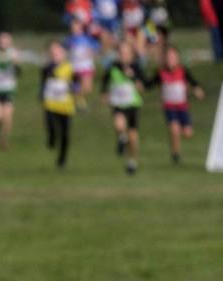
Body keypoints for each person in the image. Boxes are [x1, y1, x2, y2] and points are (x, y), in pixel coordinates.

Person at [144, 44, 207, 163]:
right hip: (169, 107)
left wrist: (198, 90)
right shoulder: (161, 72)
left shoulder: (183, 71)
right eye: (168, 57)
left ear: (177, 58)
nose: (171, 60)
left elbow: (193, 82)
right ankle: (175, 154)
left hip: (182, 107)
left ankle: (181, 137)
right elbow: (150, 84)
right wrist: (141, 85)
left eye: (173, 57)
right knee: (174, 129)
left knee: (188, 133)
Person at [101, 40, 147, 173]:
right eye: (121, 53)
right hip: (118, 103)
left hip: (132, 104)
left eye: (127, 53)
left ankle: (132, 161)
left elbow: (142, 86)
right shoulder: (113, 66)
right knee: (119, 124)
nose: (124, 56)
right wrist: (104, 93)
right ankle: (122, 137)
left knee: (133, 137)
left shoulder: (136, 67)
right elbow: (105, 80)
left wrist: (132, 77)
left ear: (132, 54)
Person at [41, 40, 77, 168]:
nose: (55, 53)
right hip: (50, 102)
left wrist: (73, 88)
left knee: (65, 133)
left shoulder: (70, 67)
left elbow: (76, 84)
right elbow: (43, 84)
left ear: (63, 53)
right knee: (50, 123)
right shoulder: (46, 68)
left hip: (65, 104)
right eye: (52, 51)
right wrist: (41, 95)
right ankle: (51, 138)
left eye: (57, 51)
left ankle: (62, 159)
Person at [66, 19, 100, 104]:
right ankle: (78, 101)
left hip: (86, 66)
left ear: (81, 27)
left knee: (88, 88)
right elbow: (66, 52)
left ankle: (75, 98)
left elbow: (96, 49)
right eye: (72, 27)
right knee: (76, 86)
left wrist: (90, 53)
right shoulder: (68, 40)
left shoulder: (88, 38)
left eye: (76, 26)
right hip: (74, 67)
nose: (74, 28)